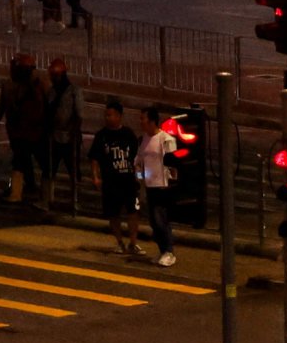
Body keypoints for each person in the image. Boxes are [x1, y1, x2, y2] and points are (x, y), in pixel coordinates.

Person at [135, 107, 185, 266]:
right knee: (153, 221)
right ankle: (163, 250)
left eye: (143, 118)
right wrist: (139, 180)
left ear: (152, 121)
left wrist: (171, 183)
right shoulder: (143, 139)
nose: (141, 122)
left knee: (160, 219)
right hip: (150, 185)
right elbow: (138, 163)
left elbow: (173, 164)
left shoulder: (166, 140)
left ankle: (169, 251)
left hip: (163, 186)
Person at [94, 97, 141, 255]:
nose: (108, 118)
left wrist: (138, 175)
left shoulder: (128, 134)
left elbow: (137, 157)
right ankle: (120, 242)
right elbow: (94, 158)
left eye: (111, 115)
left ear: (119, 116)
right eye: (106, 115)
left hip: (127, 180)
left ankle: (133, 243)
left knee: (132, 212)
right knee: (113, 213)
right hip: (110, 181)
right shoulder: (101, 136)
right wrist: (96, 177)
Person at [1, 56, 48, 205]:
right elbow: (4, 106)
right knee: (20, 163)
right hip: (21, 132)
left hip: (33, 132)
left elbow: (42, 107)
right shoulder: (12, 85)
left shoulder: (37, 86)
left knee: (40, 164)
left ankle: (42, 195)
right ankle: (21, 192)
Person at [43, 58, 85, 208]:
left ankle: (74, 200)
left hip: (70, 137)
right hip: (54, 136)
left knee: (73, 170)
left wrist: (74, 131)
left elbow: (79, 114)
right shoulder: (52, 91)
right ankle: (47, 199)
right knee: (49, 169)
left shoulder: (74, 91)